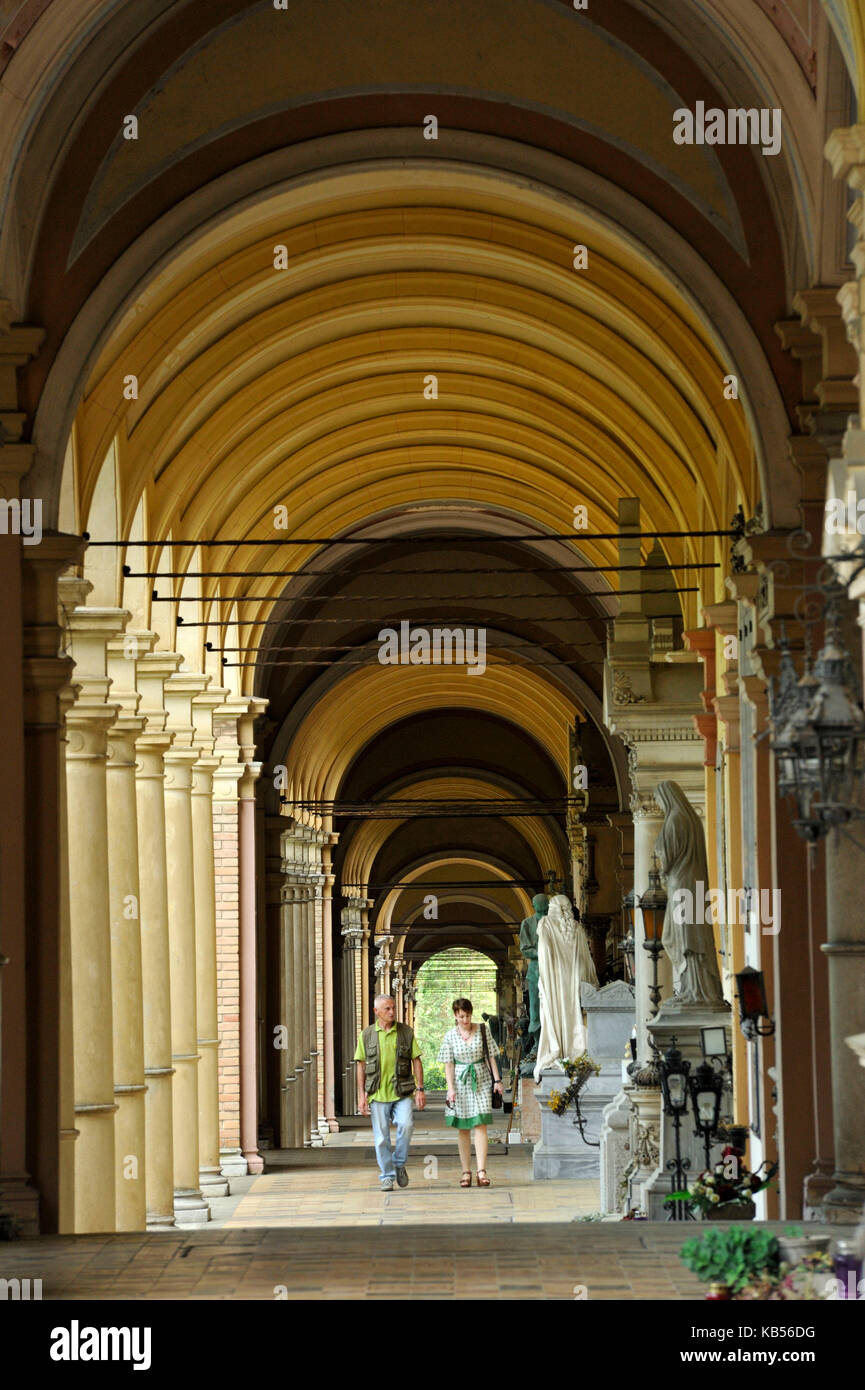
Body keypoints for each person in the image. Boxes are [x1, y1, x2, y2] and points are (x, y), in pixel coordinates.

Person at [354, 993, 425, 1192]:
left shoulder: (405, 1032)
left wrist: (420, 1089)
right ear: (376, 1012)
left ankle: (399, 1162)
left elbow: (416, 1060)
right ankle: (387, 1175)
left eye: (393, 1007)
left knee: (406, 1124)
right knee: (381, 1138)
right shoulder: (366, 1035)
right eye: (387, 1008)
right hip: (377, 1093)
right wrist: (362, 1095)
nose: (392, 1012)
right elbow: (360, 1065)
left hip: (401, 1091)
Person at [438, 997, 503, 1187]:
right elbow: (448, 1065)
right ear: (455, 1016)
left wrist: (497, 1080)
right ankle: (466, 1171)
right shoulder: (450, 1036)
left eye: (467, 1016)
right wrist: (450, 1089)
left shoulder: (483, 1030)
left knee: (481, 1124)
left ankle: (481, 1171)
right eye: (461, 1017)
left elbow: (490, 1057)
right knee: (463, 1127)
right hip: (460, 1082)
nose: (465, 1020)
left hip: (481, 1079)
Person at [534, 893, 597, 1080]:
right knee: (573, 1013)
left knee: (554, 1014)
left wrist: (543, 981)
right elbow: (585, 960)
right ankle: (574, 1050)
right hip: (573, 979)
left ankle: (558, 1050)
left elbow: (543, 954)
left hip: (554, 979)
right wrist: (589, 983)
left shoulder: (545, 924)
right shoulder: (577, 928)